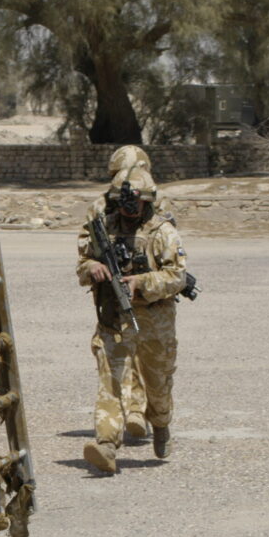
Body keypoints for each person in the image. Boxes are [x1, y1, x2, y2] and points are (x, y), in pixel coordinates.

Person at [76, 168, 187, 474]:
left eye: (137, 202)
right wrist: (93, 268)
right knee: (111, 380)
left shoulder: (162, 231)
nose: (130, 209)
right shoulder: (101, 229)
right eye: (124, 202)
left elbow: (176, 277)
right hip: (113, 317)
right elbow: (81, 266)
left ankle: (161, 423)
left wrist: (141, 283)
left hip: (155, 321)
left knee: (158, 384)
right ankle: (107, 445)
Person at [88, 145, 158, 440]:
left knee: (141, 353)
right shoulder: (100, 207)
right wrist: (92, 265)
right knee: (112, 352)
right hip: (109, 293)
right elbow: (86, 244)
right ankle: (124, 416)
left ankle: (139, 410)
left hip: (147, 294)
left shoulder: (153, 202)